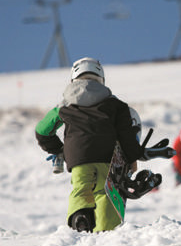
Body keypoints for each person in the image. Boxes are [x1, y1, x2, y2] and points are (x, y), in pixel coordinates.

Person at [35, 57, 150, 233]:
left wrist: (59, 149)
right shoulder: (116, 105)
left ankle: (80, 217)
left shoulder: (64, 105)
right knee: (105, 192)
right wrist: (133, 156)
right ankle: (105, 229)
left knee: (81, 190)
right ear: (101, 78)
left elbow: (42, 130)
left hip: (78, 157)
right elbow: (126, 136)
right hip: (106, 157)